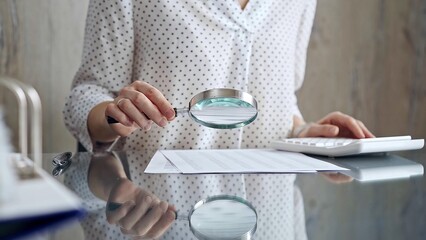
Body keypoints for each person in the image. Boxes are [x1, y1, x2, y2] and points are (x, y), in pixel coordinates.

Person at [63, 0, 374, 239]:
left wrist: (303, 131)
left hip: (275, 222)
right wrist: (114, 115)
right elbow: (88, 92)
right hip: (153, 220)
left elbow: (281, 95)